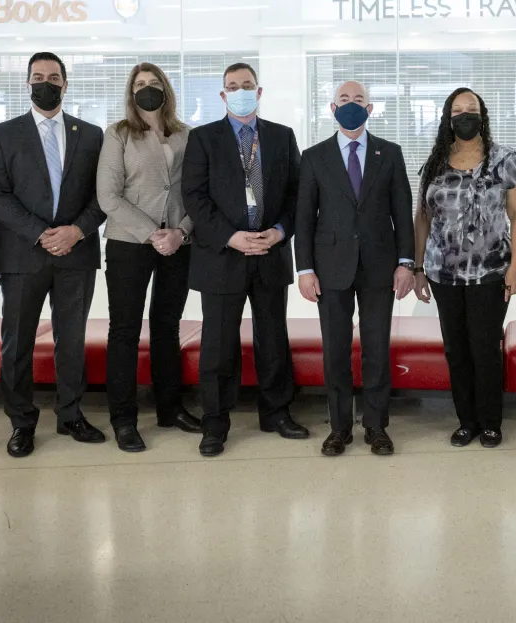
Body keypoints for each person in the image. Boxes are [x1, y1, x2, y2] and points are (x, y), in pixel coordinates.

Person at [0, 52, 107, 458]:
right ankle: (21, 422)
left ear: (66, 84)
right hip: (22, 255)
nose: (45, 83)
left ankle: (71, 414)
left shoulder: (91, 134)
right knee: (16, 343)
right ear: (27, 83)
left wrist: (76, 230)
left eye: (53, 77)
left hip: (76, 252)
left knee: (71, 341)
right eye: (38, 76)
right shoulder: (4, 134)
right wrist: (40, 232)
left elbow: (102, 196)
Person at [182, 62, 308, 457]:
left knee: (273, 339)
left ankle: (276, 413)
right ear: (222, 95)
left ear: (259, 91)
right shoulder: (202, 139)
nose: (240, 91)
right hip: (222, 256)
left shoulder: (282, 137)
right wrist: (231, 237)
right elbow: (195, 198)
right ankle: (215, 423)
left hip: (270, 252)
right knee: (218, 345)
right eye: (232, 86)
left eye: (247, 85)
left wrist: (281, 231)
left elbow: (296, 195)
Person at [296, 80, 415, 457]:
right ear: (332, 109)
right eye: (344, 100)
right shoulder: (314, 157)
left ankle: (376, 426)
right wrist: (305, 270)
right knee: (335, 350)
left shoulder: (389, 154)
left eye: (358, 99)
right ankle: (339, 427)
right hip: (330, 268)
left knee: (376, 349)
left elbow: (403, 213)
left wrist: (406, 263)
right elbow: (304, 219)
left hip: (380, 266)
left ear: (370, 107)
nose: (351, 105)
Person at [413, 87, 516, 448]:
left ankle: (490, 422)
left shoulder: (503, 159)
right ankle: (466, 421)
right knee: (456, 350)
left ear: (483, 115)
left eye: (472, 109)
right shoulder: (434, 162)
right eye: (458, 110)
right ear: (448, 117)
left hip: (490, 273)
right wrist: (418, 268)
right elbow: (422, 218)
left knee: (484, 348)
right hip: (443, 275)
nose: (465, 115)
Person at [96, 63, 201, 453]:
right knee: (124, 330)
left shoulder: (186, 135)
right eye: (140, 84)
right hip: (129, 242)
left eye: (154, 83)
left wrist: (181, 232)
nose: (147, 89)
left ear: (166, 89)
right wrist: (151, 233)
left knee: (166, 326)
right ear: (131, 91)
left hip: (178, 243)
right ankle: (123, 419)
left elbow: (197, 193)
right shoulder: (119, 134)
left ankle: (169, 409)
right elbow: (108, 195)